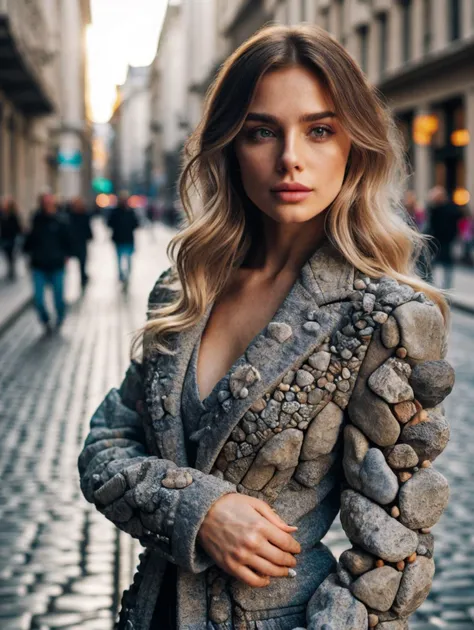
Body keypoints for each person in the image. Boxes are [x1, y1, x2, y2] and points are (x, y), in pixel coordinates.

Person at [79, 25, 453, 630]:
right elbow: (105, 446)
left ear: (355, 145)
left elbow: (395, 555)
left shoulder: (387, 316)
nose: (290, 158)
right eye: (261, 131)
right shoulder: (187, 289)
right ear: (229, 145)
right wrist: (199, 511)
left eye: (320, 130)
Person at [24, 193, 72, 333]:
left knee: (58, 296)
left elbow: (68, 240)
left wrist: (66, 256)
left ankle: (60, 317)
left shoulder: (61, 220)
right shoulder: (35, 220)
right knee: (38, 299)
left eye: (49, 202)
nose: (47, 205)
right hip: (38, 265)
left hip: (56, 264)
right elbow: (29, 241)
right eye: (45, 202)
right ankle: (45, 320)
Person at [426, 185, 463, 289]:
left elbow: (458, 219)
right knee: (430, 265)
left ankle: (446, 289)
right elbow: (430, 225)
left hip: (446, 242)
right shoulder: (433, 209)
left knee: (447, 267)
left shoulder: (451, 208)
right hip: (434, 242)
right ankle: (431, 287)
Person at [107, 193, 139, 288]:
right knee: (121, 259)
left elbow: (136, 224)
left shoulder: (130, 212)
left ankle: (126, 275)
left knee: (126, 259)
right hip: (120, 240)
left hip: (127, 239)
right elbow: (109, 223)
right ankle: (122, 275)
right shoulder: (116, 212)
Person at [68, 196, 93, 290]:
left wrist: (89, 235)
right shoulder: (70, 215)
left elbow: (87, 227)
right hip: (73, 242)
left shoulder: (84, 214)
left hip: (81, 242)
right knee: (78, 261)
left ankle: (83, 278)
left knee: (82, 262)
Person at [0, 197, 22, 280]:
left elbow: (18, 227)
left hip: (12, 238)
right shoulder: (3, 215)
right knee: (7, 256)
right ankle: (11, 270)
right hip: (5, 238)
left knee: (11, 256)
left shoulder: (14, 215)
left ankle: (12, 270)